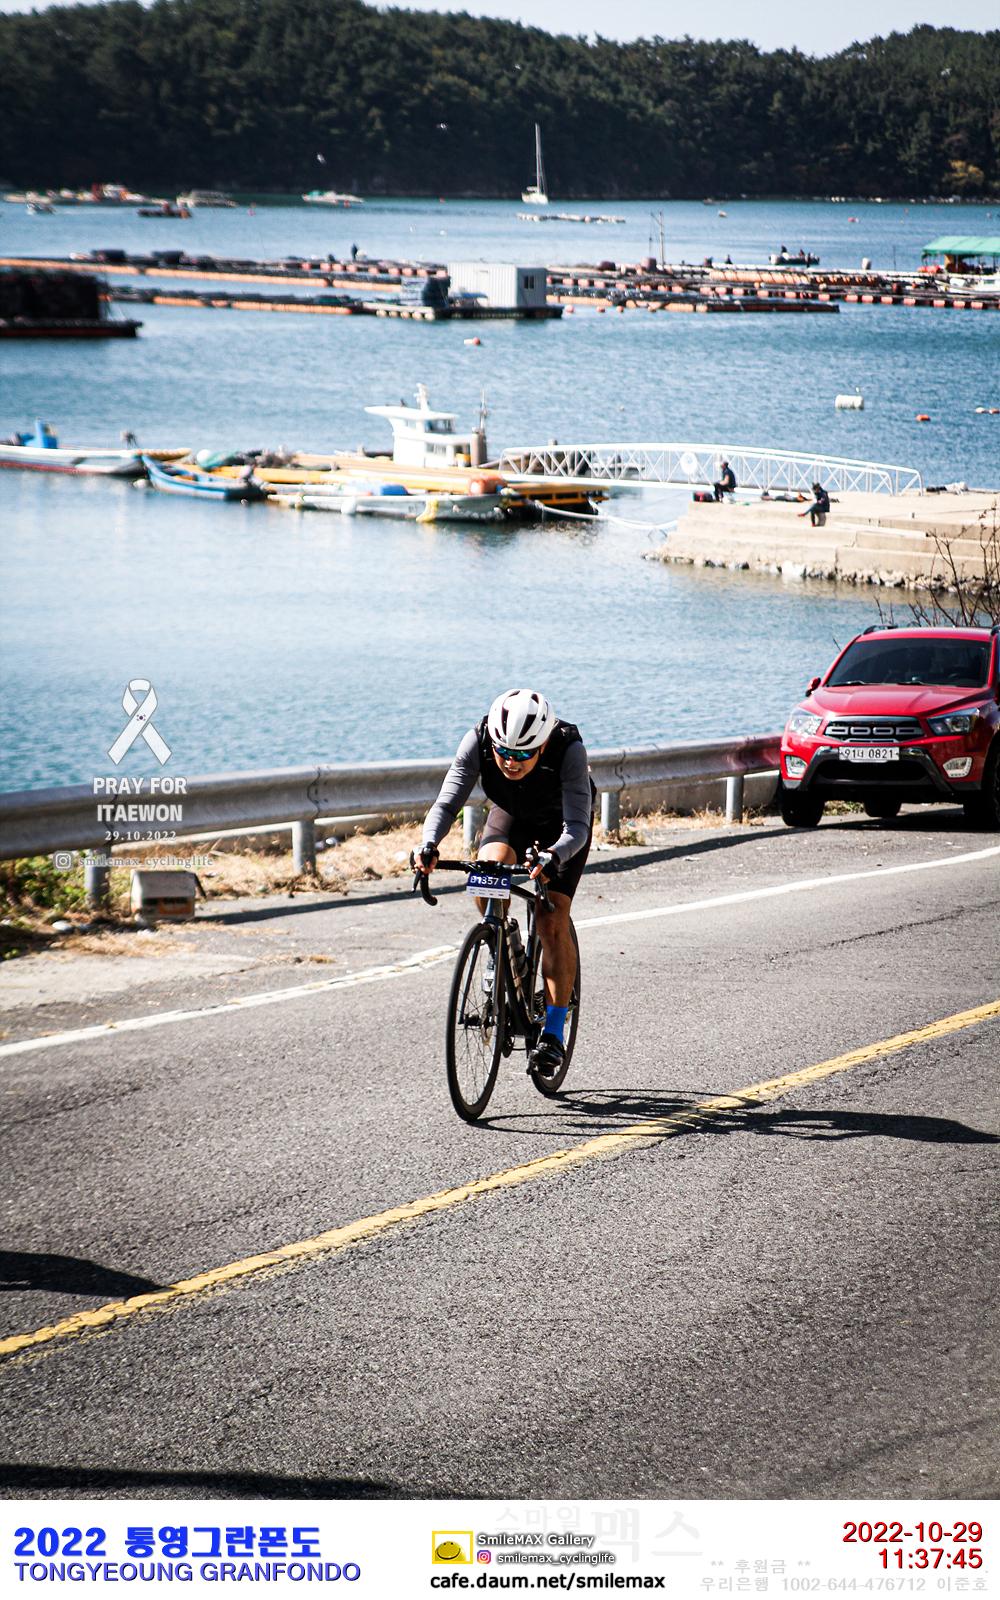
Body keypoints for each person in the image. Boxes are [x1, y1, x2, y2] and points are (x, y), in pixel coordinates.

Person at [415, 689, 595, 1075]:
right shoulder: (478, 740)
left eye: (523, 754)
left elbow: (578, 827)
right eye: (503, 752)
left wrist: (554, 856)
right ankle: (501, 944)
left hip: (562, 831)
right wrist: (429, 844)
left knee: (550, 919)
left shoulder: (568, 751)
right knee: (485, 872)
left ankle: (553, 1032)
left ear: (542, 746)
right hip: (513, 815)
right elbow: (447, 803)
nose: (511, 762)